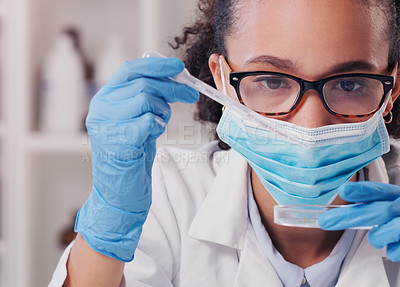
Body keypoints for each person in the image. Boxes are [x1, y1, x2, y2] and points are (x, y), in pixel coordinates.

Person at [50, 0, 400, 286]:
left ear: (392, 90)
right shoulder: (168, 196)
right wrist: (108, 230)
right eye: (271, 82)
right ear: (222, 80)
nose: (309, 127)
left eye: (350, 84)